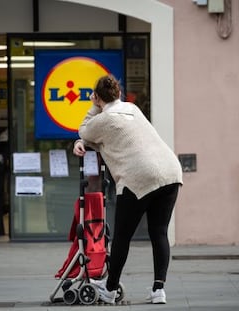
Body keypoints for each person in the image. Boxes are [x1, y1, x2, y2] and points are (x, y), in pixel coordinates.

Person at [73, 74, 183, 304]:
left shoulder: (102, 119)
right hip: (170, 171)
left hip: (138, 176)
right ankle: (158, 290)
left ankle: (110, 289)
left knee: (123, 236)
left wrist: (94, 107)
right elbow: (111, 137)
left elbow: (85, 131)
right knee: (159, 232)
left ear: (97, 97)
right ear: (119, 94)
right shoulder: (132, 109)